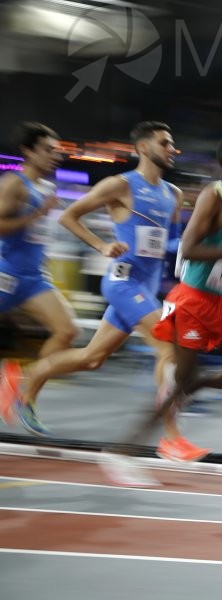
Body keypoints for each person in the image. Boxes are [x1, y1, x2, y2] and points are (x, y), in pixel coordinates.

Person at [9, 122, 204, 455]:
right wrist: (101, 246)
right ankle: (171, 437)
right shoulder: (120, 185)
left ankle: (20, 378)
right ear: (143, 148)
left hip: (147, 286)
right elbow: (69, 216)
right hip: (122, 282)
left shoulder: (174, 194)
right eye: (165, 143)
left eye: (173, 144)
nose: (173, 149)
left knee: (91, 358)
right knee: (168, 347)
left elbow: (171, 241)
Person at [100, 131, 222, 486]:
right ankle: (121, 452)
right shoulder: (214, 195)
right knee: (178, 385)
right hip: (192, 303)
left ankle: (200, 382)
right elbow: (189, 249)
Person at [0, 122, 80, 430]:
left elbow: (35, 234)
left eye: (57, 152)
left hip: (34, 278)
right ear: (28, 151)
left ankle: (25, 396)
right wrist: (37, 215)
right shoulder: (13, 184)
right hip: (6, 274)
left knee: (67, 331)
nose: (55, 157)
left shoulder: (43, 188)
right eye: (48, 150)